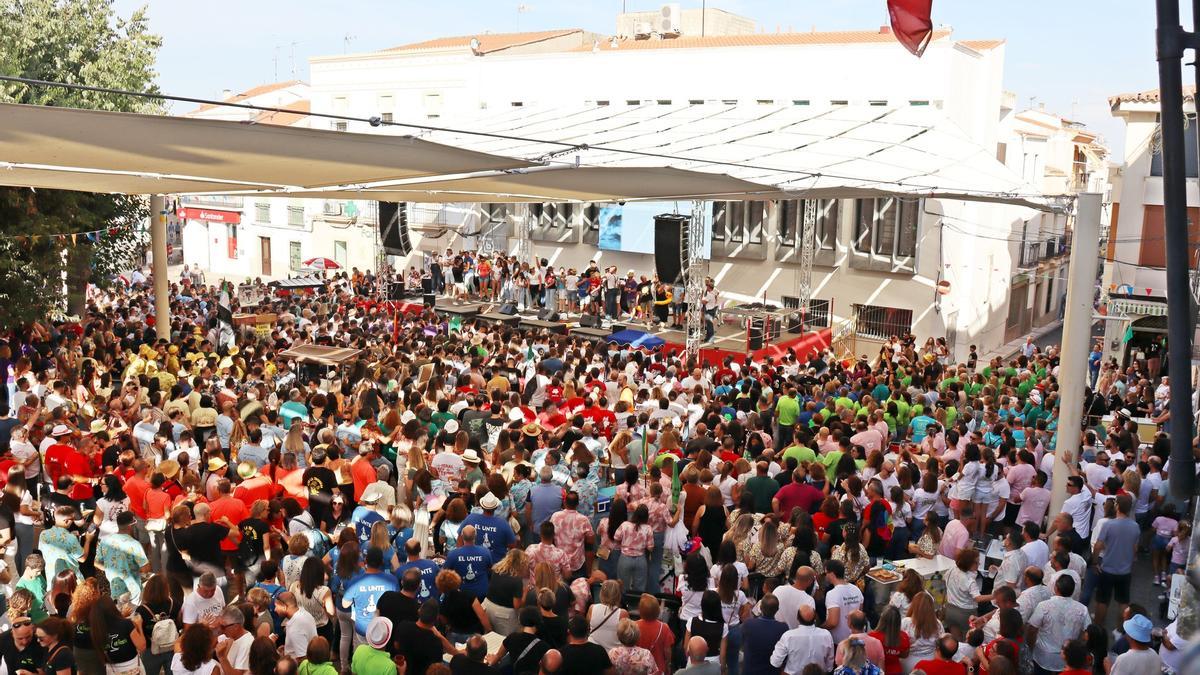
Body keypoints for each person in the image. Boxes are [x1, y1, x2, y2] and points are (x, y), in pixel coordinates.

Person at [1092, 494, 1139, 625]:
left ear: (1117, 506)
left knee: (1102, 601)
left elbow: (1098, 545)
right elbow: (1135, 549)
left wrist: (1095, 562)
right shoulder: (1135, 526)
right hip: (1125, 571)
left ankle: (1098, 628)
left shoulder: (1108, 525)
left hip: (1107, 569)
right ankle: (1120, 630)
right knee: (1123, 602)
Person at [1027, 575, 1089, 675]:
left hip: (1043, 656)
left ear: (1056, 588)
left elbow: (1032, 629)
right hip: (1069, 657)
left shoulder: (1044, 606)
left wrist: (1030, 647)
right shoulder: (1082, 609)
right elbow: (1088, 633)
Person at [771, 605, 834, 674]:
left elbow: (775, 662)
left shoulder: (788, 636)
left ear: (798, 618)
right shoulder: (826, 634)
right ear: (815, 617)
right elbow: (829, 664)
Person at [741, 593, 788, 675]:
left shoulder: (748, 624)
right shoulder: (783, 628)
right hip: (771, 671)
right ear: (777, 609)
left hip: (750, 671)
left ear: (761, 608)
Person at [823, 560, 864, 644]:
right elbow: (860, 613)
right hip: (855, 640)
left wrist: (820, 628)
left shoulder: (832, 594)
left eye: (825, 573)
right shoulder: (856, 589)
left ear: (832, 574)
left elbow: (833, 622)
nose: (825, 576)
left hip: (839, 642)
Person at [277, 591, 319, 660]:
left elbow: (303, 658)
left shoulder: (295, 628)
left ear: (284, 607)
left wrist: (284, 659)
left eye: (276, 606)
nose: (275, 610)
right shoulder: (303, 612)